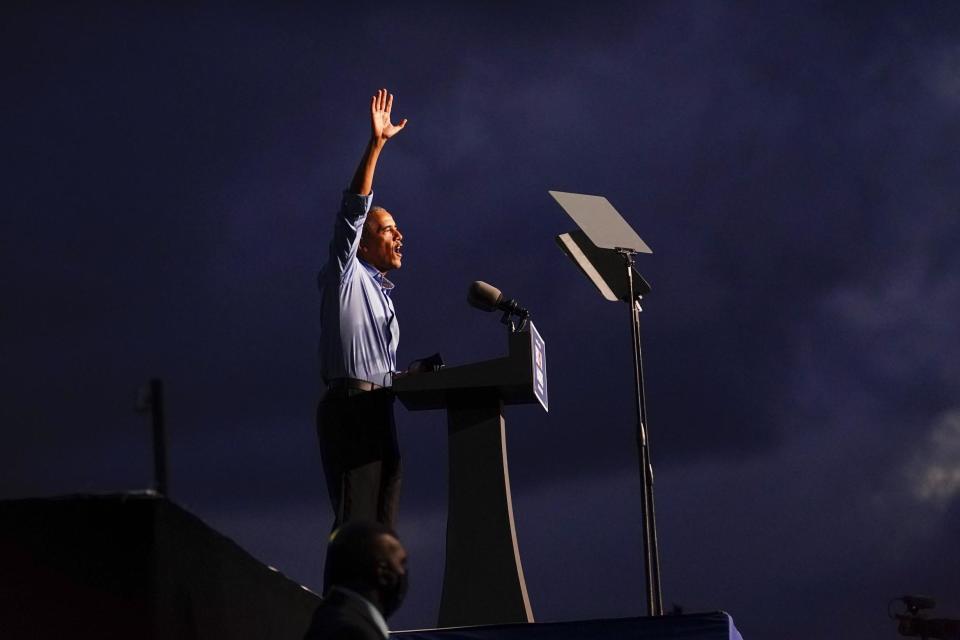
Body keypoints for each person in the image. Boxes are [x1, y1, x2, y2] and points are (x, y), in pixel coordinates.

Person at [316, 88, 408, 531]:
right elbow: (353, 210)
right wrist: (376, 145)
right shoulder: (344, 275)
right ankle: (340, 601)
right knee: (355, 531)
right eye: (389, 229)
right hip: (350, 412)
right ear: (364, 242)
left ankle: (372, 603)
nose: (398, 236)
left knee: (383, 539)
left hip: (380, 413)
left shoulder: (383, 295)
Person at [303, 521, 409, 640]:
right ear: (382, 571)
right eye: (402, 563)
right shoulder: (354, 632)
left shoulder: (329, 618)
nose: (404, 573)